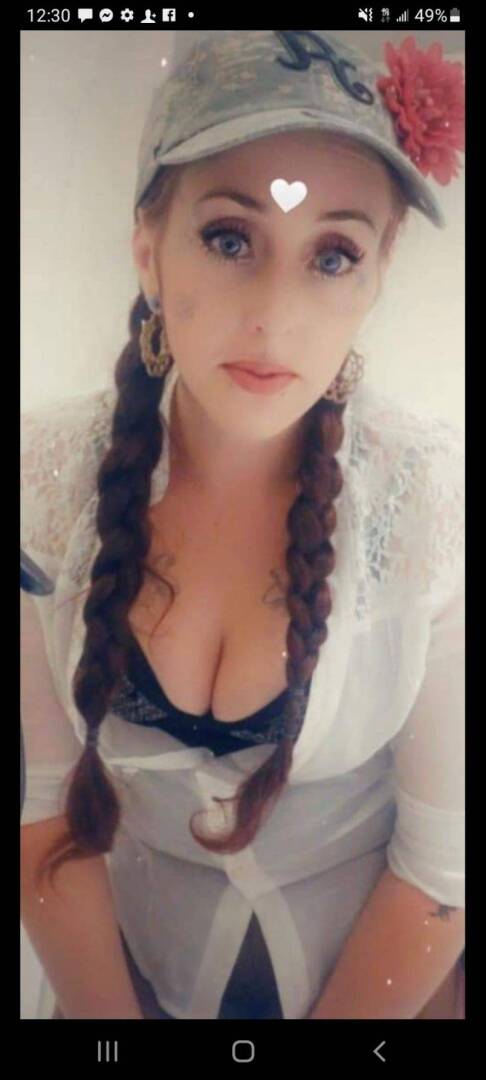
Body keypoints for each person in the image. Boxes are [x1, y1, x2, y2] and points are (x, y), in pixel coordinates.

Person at [21, 30, 465, 1020]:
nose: (275, 315)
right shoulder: (43, 487)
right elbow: (44, 810)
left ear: (378, 273)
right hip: (130, 966)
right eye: (230, 239)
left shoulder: (433, 504)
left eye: (333, 256)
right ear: (149, 248)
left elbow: (444, 865)